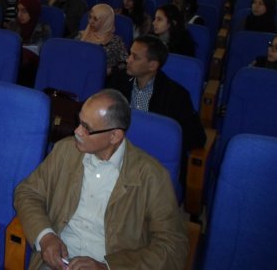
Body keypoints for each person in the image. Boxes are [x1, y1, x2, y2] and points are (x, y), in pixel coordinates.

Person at [14, 89, 188, 270]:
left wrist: (108, 267)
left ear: (115, 136)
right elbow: (27, 192)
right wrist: (45, 236)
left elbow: (173, 248)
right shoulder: (65, 151)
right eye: (79, 121)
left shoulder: (152, 177)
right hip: (58, 263)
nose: (77, 131)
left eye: (87, 128)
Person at [108, 35, 206, 179]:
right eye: (130, 54)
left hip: (153, 164)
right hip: (116, 155)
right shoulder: (118, 80)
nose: (128, 60)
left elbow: (196, 138)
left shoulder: (176, 96)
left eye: (135, 57)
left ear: (152, 65)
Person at [6, 0, 51, 86]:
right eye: (18, 10)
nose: (19, 15)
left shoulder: (44, 30)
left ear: (32, 11)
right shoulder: (13, 25)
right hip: (12, 62)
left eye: (24, 11)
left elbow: (38, 52)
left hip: (31, 69)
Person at [76, 4, 128, 76]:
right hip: (79, 74)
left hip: (105, 78)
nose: (90, 21)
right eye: (90, 17)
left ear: (106, 21)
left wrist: (111, 70)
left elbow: (125, 63)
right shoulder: (81, 36)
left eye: (95, 19)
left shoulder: (116, 41)